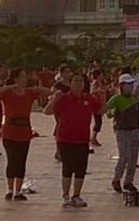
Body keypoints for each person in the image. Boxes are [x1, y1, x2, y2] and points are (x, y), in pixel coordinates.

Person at [0, 68, 53, 200]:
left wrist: (36, 87)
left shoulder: (29, 92)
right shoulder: (7, 93)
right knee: (12, 160)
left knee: (21, 161)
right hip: (9, 130)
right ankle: (9, 189)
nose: (24, 79)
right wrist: (10, 86)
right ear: (16, 78)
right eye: (22, 77)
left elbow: (48, 92)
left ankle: (18, 191)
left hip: (24, 130)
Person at [43, 73, 104, 207]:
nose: (79, 84)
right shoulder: (64, 98)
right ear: (70, 84)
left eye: (81, 81)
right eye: (76, 81)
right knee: (68, 167)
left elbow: (100, 111)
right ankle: (65, 195)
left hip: (82, 139)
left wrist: (102, 98)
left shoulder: (88, 98)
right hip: (65, 138)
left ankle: (76, 195)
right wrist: (54, 99)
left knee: (81, 167)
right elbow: (47, 111)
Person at [105, 73, 139, 193]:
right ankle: (117, 179)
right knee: (124, 156)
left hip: (134, 130)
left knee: (133, 158)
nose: (130, 86)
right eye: (128, 84)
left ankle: (128, 181)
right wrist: (113, 112)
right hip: (122, 131)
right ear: (122, 85)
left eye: (131, 84)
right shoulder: (116, 99)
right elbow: (107, 111)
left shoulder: (134, 99)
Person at [88, 69, 104, 147]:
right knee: (98, 121)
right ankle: (93, 137)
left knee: (99, 121)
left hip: (99, 103)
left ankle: (94, 137)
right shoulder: (95, 83)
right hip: (96, 104)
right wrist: (99, 91)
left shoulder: (99, 83)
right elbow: (92, 92)